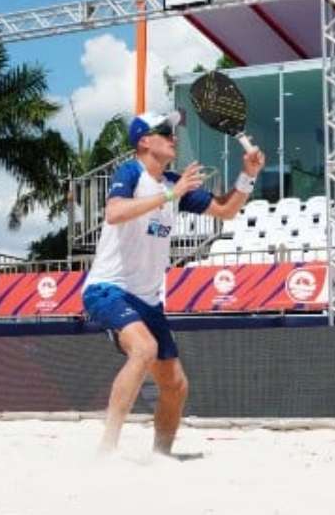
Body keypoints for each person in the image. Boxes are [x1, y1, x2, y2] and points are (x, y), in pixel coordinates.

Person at [83, 111, 265, 456]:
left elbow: (226, 211)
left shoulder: (173, 183)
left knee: (176, 385)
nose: (174, 136)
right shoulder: (132, 172)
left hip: (149, 299)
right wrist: (171, 195)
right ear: (143, 141)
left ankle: (161, 457)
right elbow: (114, 213)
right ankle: (106, 449)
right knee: (144, 349)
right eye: (165, 131)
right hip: (108, 287)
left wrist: (248, 176)